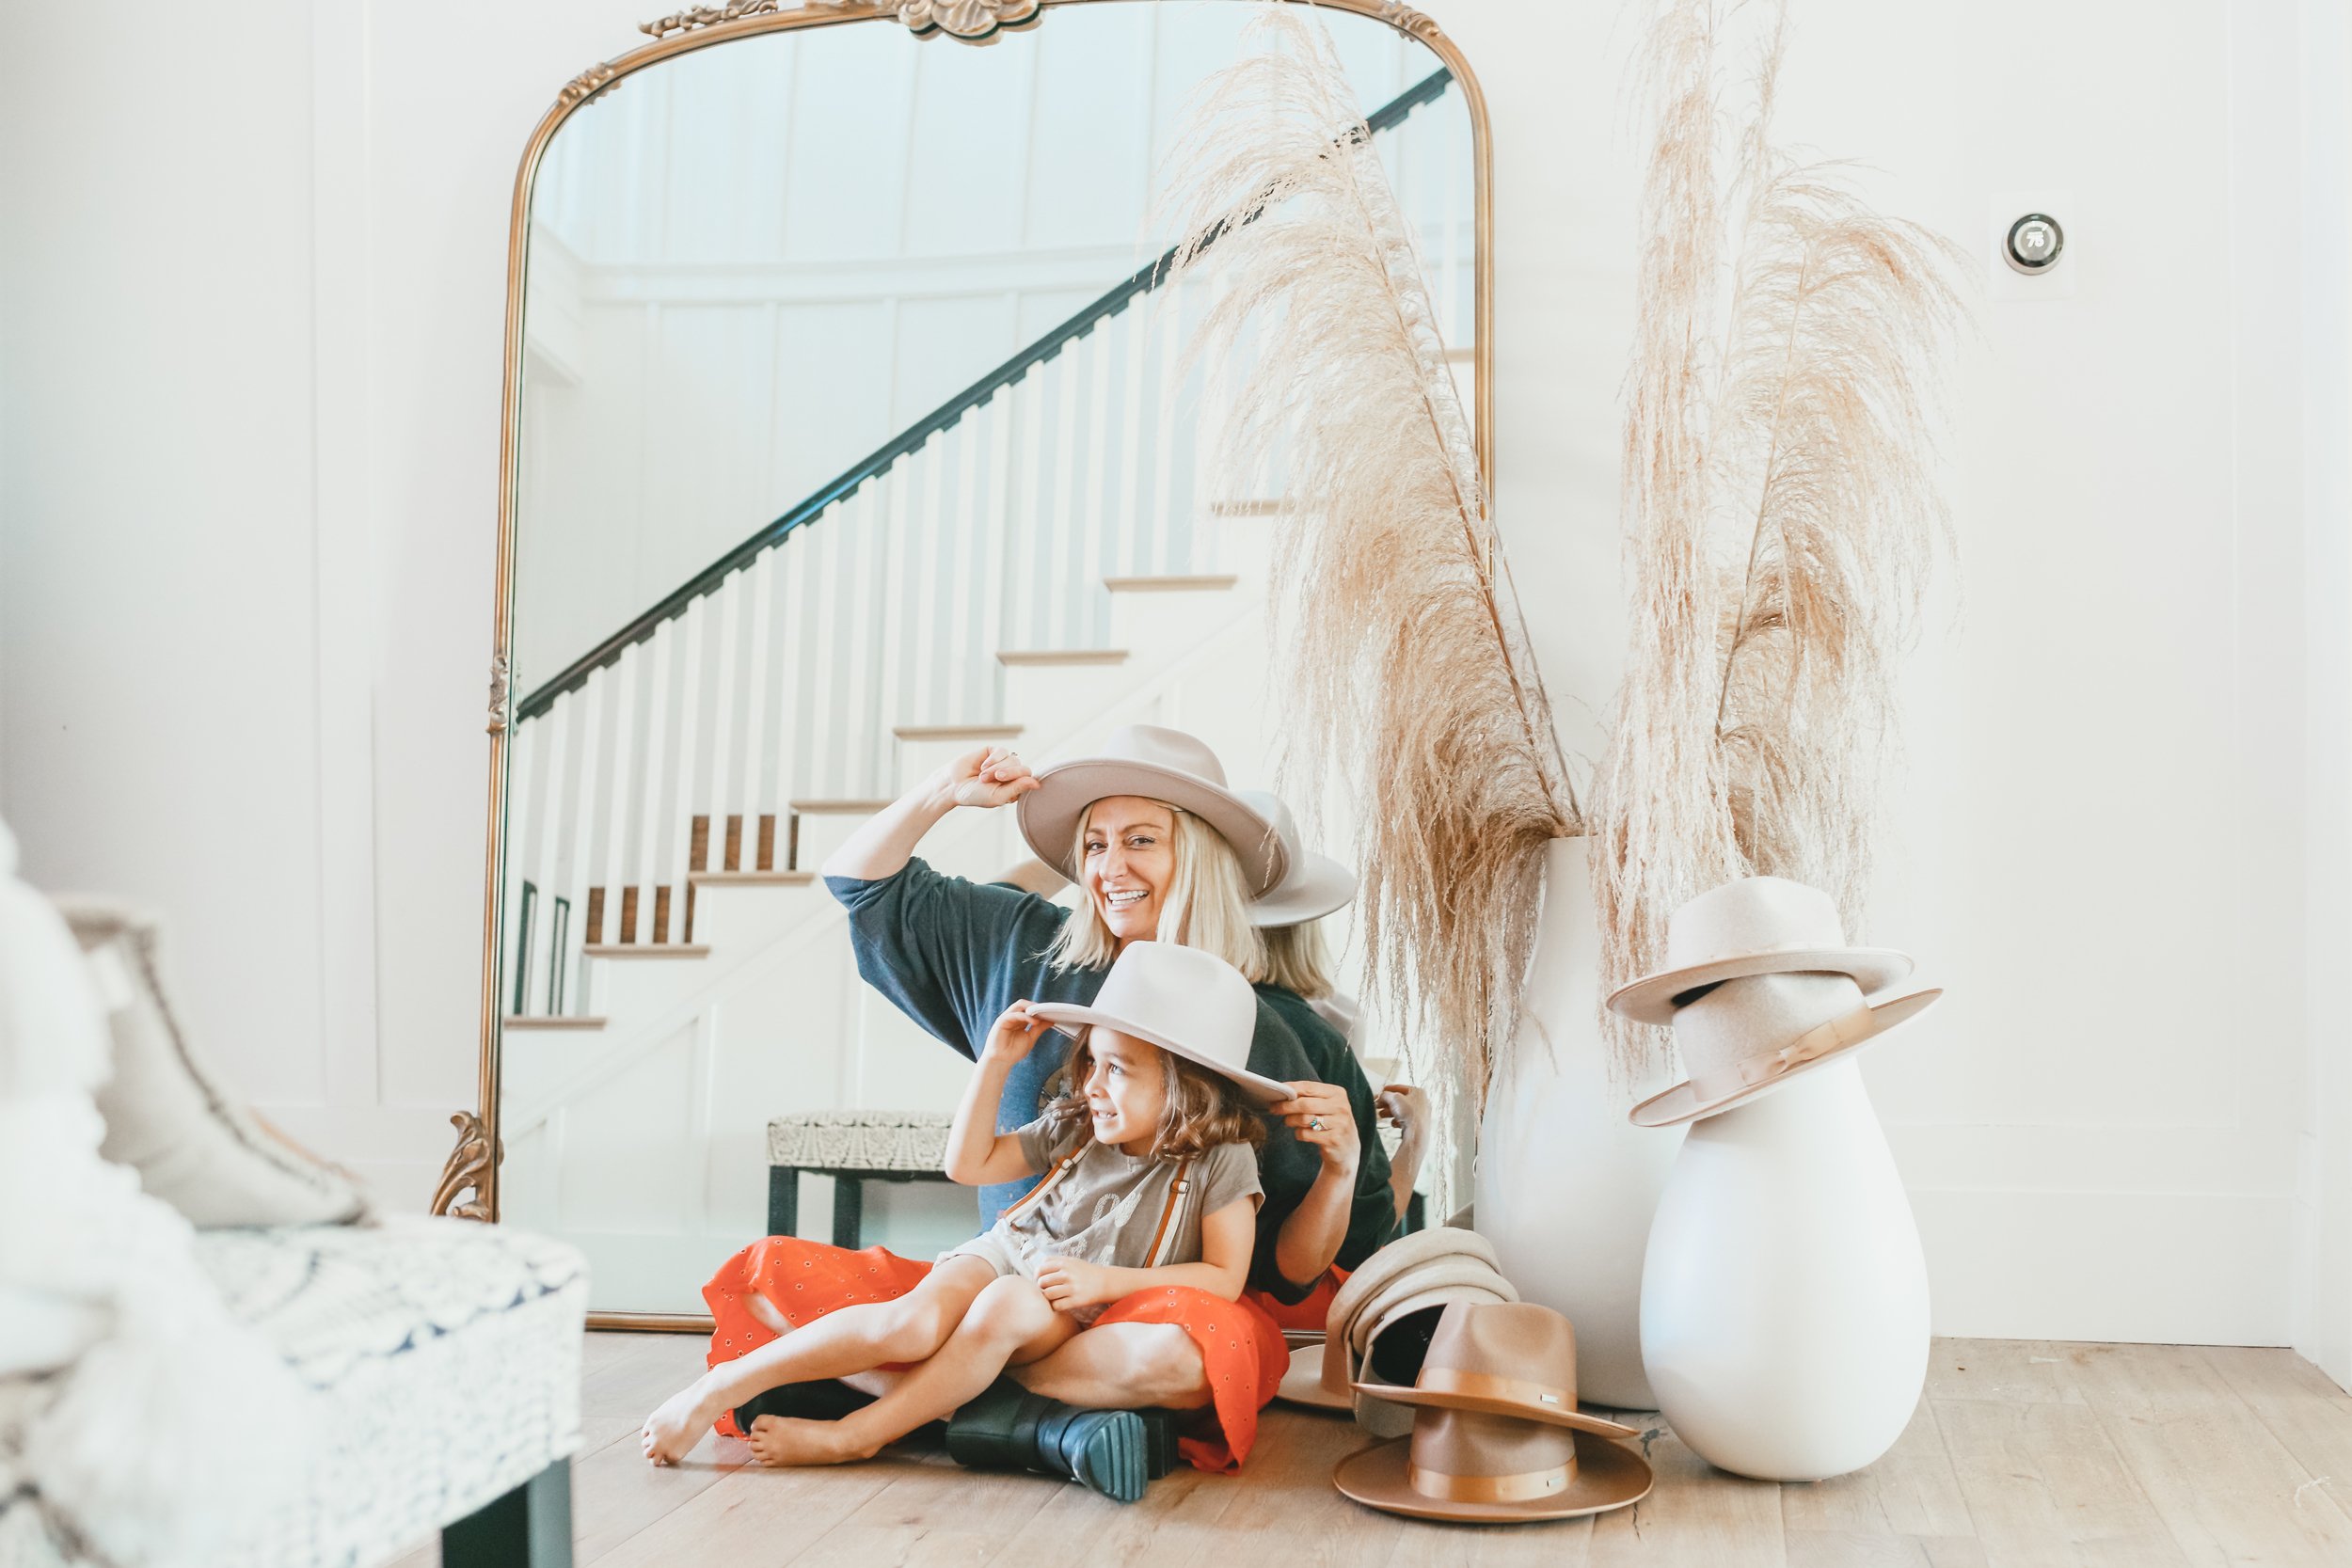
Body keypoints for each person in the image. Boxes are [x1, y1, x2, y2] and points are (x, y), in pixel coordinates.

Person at [684, 725, 1395, 1477]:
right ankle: (1040, 1425)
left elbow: (1295, 1276)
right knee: (773, 1278)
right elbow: (862, 885)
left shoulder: (1292, 1038)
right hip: (1007, 1293)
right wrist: (941, 794)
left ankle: (925, 1403)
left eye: (1142, 840)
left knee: (1190, 1355)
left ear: (1201, 855)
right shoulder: (1028, 946)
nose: (1110, 869)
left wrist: (1339, 1174)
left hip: (1147, 1315)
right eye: (1094, 845)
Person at [643, 943, 1276, 1501]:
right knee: (912, 1322)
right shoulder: (1078, 1122)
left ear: (1188, 1085)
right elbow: (968, 1163)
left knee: (1005, 1307)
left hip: (1081, 1300)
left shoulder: (1222, 1158)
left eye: (1118, 1069)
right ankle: (721, 1384)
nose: (1094, 1084)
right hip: (1011, 1249)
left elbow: (1224, 1275)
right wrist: (994, 1063)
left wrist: (1102, 1282)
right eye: (1092, 1062)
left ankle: (856, 1434)